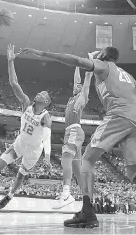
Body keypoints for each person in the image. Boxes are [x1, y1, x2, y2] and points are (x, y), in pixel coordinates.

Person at [20, 46, 136, 228]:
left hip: (120, 115)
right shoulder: (127, 76)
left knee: (87, 158)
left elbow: (77, 61)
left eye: (100, 53)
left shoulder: (104, 66)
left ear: (104, 56)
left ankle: (88, 212)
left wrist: (43, 53)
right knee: (134, 174)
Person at [0, 44, 52, 210]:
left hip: (34, 150)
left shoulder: (45, 117)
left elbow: (47, 136)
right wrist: (10, 61)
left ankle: (9, 196)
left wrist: (47, 156)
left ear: (46, 102)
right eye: (39, 93)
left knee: (20, 174)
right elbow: (13, 82)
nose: (38, 94)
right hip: (20, 143)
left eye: (42, 95)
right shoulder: (26, 104)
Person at [53, 66, 93, 210]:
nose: (77, 86)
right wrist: (77, 64)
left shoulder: (82, 97)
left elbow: (85, 84)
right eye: (76, 86)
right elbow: (76, 79)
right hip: (70, 133)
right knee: (77, 170)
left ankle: (66, 193)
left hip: (74, 131)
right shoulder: (73, 97)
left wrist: (89, 72)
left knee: (65, 159)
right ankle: (87, 202)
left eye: (80, 86)